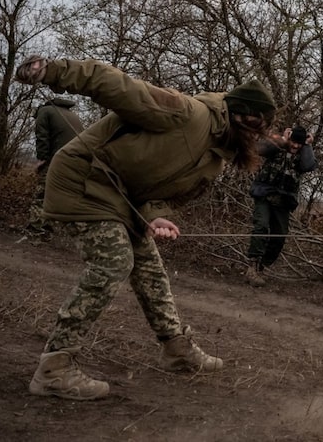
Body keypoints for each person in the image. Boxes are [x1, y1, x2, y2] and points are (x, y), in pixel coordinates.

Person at [14, 55, 276, 401]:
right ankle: (54, 369)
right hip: (84, 177)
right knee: (114, 262)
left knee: (149, 268)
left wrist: (155, 214)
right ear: (245, 118)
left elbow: (158, 189)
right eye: (258, 129)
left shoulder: (214, 157)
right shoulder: (187, 113)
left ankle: (176, 349)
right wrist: (54, 71)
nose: (258, 139)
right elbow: (118, 86)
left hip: (121, 196)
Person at [245, 125, 317, 286]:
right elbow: (259, 149)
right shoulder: (277, 146)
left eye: (299, 144)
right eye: (293, 142)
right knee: (261, 227)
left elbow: (308, 166)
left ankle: (262, 266)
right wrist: (283, 140)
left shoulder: (303, 154)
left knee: (279, 236)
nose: (295, 146)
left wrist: (308, 145)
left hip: (283, 202)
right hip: (264, 195)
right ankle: (252, 266)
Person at [25, 96, 85, 241]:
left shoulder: (44, 112)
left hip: (58, 160)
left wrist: (42, 159)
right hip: (77, 162)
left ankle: (36, 230)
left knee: (42, 195)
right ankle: (50, 228)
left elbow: (42, 137)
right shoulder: (72, 115)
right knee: (60, 196)